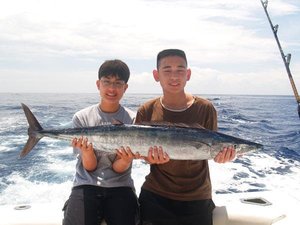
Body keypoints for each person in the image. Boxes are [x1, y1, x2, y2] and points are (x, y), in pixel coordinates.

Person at [135, 49, 236, 225]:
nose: (174, 76)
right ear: (156, 75)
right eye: (167, 70)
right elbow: (140, 150)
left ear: (188, 74)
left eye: (180, 70)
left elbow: (211, 147)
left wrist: (222, 157)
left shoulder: (206, 108)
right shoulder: (147, 109)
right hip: (155, 196)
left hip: (197, 197)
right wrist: (149, 158)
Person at [63, 59, 139, 225]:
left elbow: (118, 169)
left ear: (125, 88)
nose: (112, 89)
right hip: (86, 184)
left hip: (121, 186)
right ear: (98, 84)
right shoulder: (81, 117)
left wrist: (125, 159)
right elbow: (89, 167)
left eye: (118, 83)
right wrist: (87, 151)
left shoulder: (133, 119)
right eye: (107, 82)